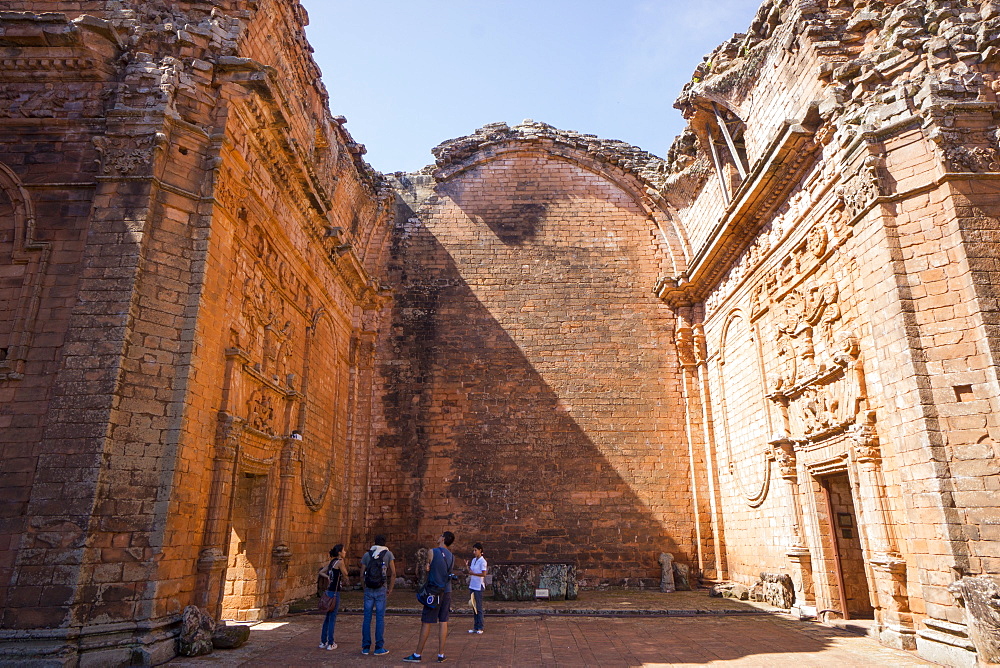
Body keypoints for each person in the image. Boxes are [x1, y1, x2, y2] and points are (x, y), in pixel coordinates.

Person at [403, 531, 455, 663]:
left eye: (440, 536)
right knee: (443, 621)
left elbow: (426, 568)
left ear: (443, 538)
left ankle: (418, 653)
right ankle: (441, 654)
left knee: (427, 621)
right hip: (447, 591)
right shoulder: (452, 557)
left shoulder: (432, 552)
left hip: (433, 591)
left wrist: (427, 567)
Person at [360, 534, 395, 656]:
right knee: (380, 618)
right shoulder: (388, 554)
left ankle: (365, 647)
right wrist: (390, 588)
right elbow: (393, 573)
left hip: (369, 589)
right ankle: (379, 647)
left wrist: (365, 588)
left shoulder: (367, 555)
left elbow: (361, 574)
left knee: (367, 618)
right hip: (381, 589)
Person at [318, 544, 349, 650]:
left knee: (327, 617)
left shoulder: (332, 563)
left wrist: (328, 577)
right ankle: (331, 643)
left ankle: (323, 641)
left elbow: (321, 572)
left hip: (328, 591)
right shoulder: (340, 562)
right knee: (332, 617)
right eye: (344, 551)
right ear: (340, 552)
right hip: (335, 592)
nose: (345, 552)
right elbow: (345, 573)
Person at [467, 542, 487, 634]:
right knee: (473, 606)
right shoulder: (474, 560)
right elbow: (471, 571)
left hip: (478, 586)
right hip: (472, 585)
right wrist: (467, 567)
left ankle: (480, 627)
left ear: (480, 550)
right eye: (473, 550)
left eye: (476, 550)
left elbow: (483, 574)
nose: (474, 552)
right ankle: (475, 627)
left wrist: (473, 574)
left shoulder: (483, 561)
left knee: (478, 607)